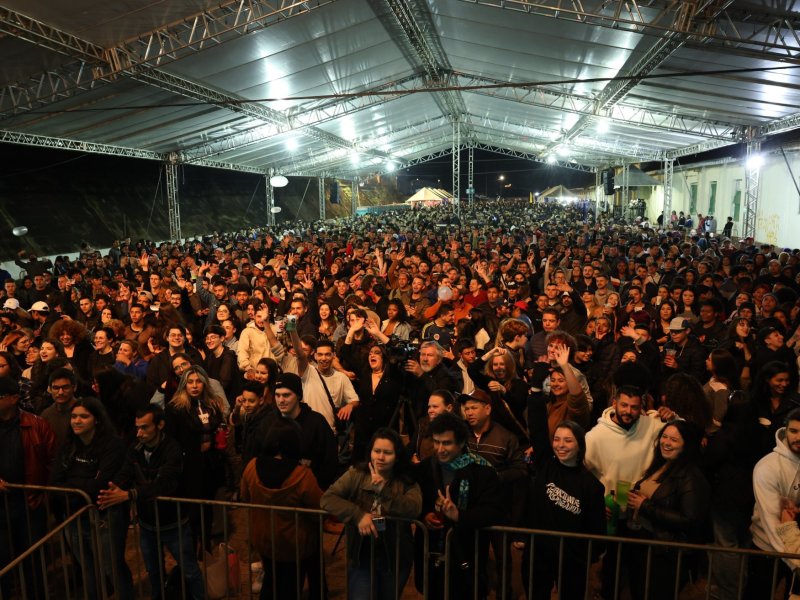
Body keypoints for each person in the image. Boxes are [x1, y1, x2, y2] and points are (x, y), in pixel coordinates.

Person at [98, 406, 205, 600]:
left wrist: (129, 494)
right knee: (154, 572)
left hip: (174, 523)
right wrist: (113, 488)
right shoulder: (135, 448)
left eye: (145, 428)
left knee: (190, 570)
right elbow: (125, 472)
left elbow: (165, 484)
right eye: (137, 427)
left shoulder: (172, 449)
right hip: (147, 524)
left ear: (160, 425)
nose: (139, 433)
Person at [321, 428, 422, 599]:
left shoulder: (406, 480)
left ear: (397, 455)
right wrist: (358, 515)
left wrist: (384, 491)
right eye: (377, 451)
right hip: (362, 555)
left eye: (387, 453)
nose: (380, 457)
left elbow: (414, 508)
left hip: (395, 556)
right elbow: (328, 499)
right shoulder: (357, 474)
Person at [412, 411, 503, 599]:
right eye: (436, 442)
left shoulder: (483, 471)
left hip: (466, 557)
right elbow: (414, 501)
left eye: (447, 443)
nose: (440, 449)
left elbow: (494, 511)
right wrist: (424, 516)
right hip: (432, 557)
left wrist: (459, 516)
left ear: (461, 443)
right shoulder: (425, 468)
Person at [50, 397, 133, 600]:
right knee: (86, 568)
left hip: (104, 516)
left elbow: (101, 484)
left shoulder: (112, 445)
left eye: (84, 417)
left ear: (96, 419)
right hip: (74, 518)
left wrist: (73, 486)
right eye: (74, 416)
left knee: (111, 566)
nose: (77, 421)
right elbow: (54, 481)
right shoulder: (68, 445)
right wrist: (83, 485)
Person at [523, 411, 605, 600]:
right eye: (557, 439)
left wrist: (586, 556)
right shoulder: (545, 465)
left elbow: (597, 529)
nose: (561, 445)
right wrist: (535, 390)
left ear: (579, 445)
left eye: (568, 440)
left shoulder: (591, 485)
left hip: (572, 560)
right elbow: (537, 428)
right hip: (538, 553)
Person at [240, 418, 325, 600]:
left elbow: (244, 497)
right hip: (294, 544)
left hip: (264, 539)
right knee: (290, 588)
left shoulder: (252, 467)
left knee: (270, 582)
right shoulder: (302, 475)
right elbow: (318, 510)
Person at [626, 421, 711, 599]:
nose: (666, 442)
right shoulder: (662, 464)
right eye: (664, 437)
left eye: (674, 439)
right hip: (647, 545)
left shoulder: (691, 476)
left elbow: (690, 519)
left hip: (666, 554)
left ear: (686, 445)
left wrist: (645, 506)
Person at [0, 376, 56, 600]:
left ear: (14, 399)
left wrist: (44, 492)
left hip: (29, 503)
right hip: (0, 507)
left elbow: (53, 461)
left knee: (33, 561)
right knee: (2, 561)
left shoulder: (37, 424)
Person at [164, 365, 228, 551]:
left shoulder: (212, 403)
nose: (194, 386)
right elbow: (172, 441)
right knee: (191, 510)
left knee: (208, 505)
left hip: (210, 463)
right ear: (184, 384)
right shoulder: (175, 408)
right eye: (190, 382)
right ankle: (191, 545)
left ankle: (206, 543)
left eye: (198, 381)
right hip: (189, 466)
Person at [746, 408, 800, 599]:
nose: (798, 437)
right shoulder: (767, 468)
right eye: (794, 431)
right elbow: (771, 523)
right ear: (785, 430)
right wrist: (796, 562)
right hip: (766, 549)